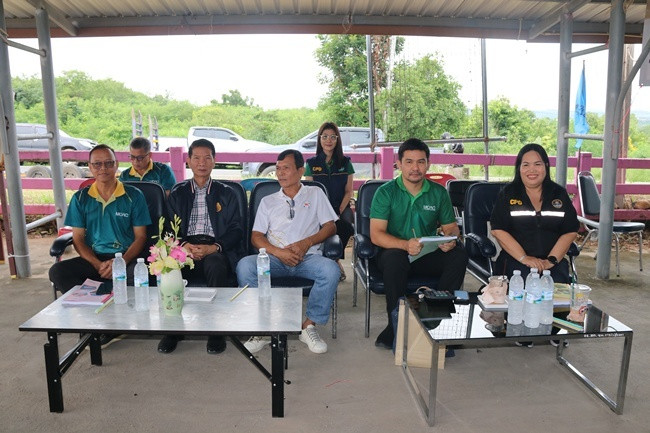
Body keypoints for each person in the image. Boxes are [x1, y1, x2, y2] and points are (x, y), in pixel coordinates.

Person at [236, 149, 340, 354]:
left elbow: (330, 227)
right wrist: (278, 252)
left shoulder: (315, 194)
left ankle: (308, 326)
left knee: (331, 270)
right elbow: (256, 236)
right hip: (275, 259)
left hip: (308, 258)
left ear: (300, 171)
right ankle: (263, 327)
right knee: (245, 266)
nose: (280, 173)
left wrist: (306, 243)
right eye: (278, 168)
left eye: (286, 168)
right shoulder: (268, 201)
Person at [369, 138, 468, 349]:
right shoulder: (385, 192)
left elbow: (451, 228)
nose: (415, 168)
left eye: (421, 162)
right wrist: (405, 245)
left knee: (458, 254)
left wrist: (450, 240)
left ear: (428, 164)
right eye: (409, 162)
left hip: (426, 253)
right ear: (399, 164)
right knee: (395, 260)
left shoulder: (438, 192)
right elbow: (376, 235)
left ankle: (436, 321)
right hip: (394, 252)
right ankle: (396, 327)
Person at [157, 139, 245, 355]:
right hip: (185, 246)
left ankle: (215, 332)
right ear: (188, 161)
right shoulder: (178, 193)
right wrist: (184, 245)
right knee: (169, 266)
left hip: (214, 247)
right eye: (196, 158)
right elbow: (167, 228)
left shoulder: (227, 193)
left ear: (214, 161)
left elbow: (236, 229)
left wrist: (214, 247)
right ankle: (172, 331)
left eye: (207, 158)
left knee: (215, 264)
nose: (202, 163)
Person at [49, 144, 151, 294]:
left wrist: (121, 262)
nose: (103, 168)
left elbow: (141, 236)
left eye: (108, 163)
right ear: (90, 167)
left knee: (142, 272)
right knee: (58, 272)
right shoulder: (80, 198)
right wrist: (97, 265)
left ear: (116, 165)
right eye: (97, 164)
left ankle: (101, 294)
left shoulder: (134, 195)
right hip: (94, 259)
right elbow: (78, 239)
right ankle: (98, 297)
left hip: (126, 258)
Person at [490, 143, 579, 284]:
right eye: (526, 165)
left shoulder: (559, 194)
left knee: (556, 287)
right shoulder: (508, 194)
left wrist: (551, 260)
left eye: (537, 164)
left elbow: (570, 231)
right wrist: (524, 258)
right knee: (523, 284)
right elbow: (498, 230)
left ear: (546, 166)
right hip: (516, 261)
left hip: (551, 263)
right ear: (519, 168)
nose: (532, 170)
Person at [304, 122, 355, 281]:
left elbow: (349, 191)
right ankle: (330, 261)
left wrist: (338, 210)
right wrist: (325, 212)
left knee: (347, 226)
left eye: (333, 137)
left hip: (340, 206)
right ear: (319, 139)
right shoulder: (311, 163)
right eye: (325, 137)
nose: (329, 140)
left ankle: (333, 257)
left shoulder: (346, 162)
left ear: (337, 140)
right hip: (318, 207)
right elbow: (310, 191)